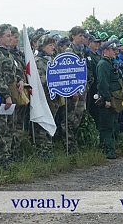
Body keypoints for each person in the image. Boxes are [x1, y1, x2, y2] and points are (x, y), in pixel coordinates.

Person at [0, 24, 25, 168]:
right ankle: (0, 159)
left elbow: (16, 70)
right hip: (2, 97)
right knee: (1, 128)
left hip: (11, 95)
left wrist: (20, 80)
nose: (10, 38)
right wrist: (7, 96)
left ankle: (8, 155)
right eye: (8, 36)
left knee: (10, 127)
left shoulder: (8, 54)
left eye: (11, 35)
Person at [34, 35, 61, 158]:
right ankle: (42, 150)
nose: (53, 47)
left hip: (53, 97)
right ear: (43, 46)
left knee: (51, 122)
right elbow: (41, 81)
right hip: (44, 97)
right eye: (50, 45)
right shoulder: (39, 61)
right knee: (43, 124)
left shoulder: (51, 59)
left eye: (53, 44)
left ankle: (48, 147)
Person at [96, 40, 122, 159]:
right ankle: (107, 151)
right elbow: (102, 83)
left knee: (112, 124)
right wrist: (106, 99)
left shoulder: (109, 63)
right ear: (106, 50)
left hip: (114, 98)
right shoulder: (103, 64)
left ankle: (110, 148)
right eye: (113, 50)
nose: (115, 52)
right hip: (107, 99)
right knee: (106, 126)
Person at [64, 26, 87, 154]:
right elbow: (68, 73)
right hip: (74, 91)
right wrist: (73, 90)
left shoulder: (82, 51)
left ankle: (74, 142)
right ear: (73, 36)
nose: (82, 38)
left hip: (83, 89)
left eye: (83, 36)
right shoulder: (69, 51)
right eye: (79, 35)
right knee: (70, 117)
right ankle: (69, 144)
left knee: (79, 116)